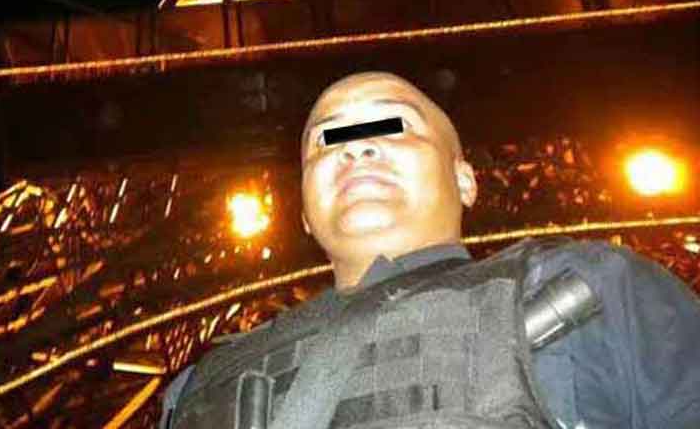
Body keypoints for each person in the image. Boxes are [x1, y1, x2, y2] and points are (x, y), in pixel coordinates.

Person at [160, 72, 700, 429]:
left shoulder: (593, 287)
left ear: (465, 179)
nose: (356, 147)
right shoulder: (201, 384)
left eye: (393, 126)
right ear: (303, 212)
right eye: (327, 140)